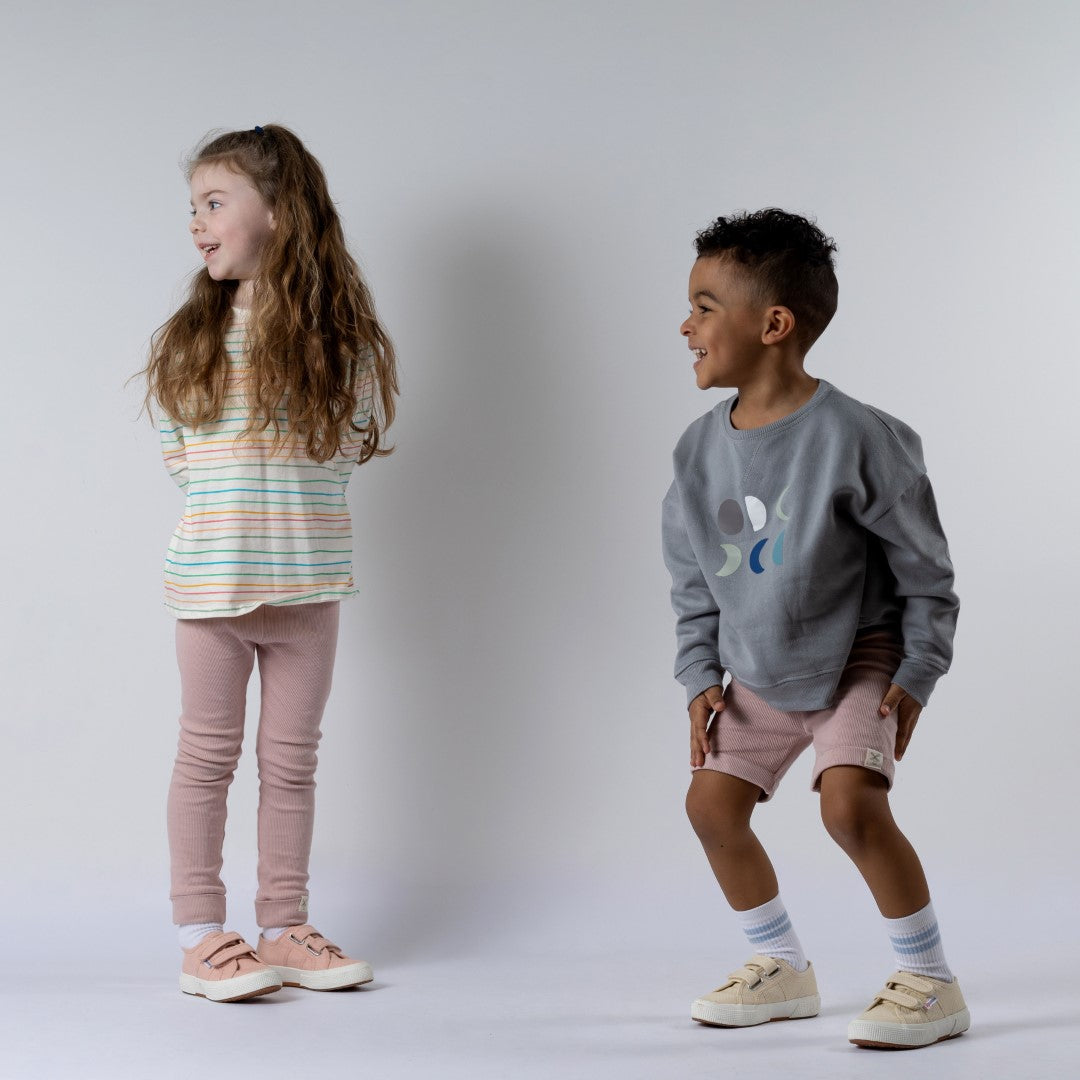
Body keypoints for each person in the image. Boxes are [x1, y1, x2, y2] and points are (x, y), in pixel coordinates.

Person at [661, 209, 969, 1049]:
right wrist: (700, 678)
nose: (684, 324)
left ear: (773, 324)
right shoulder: (696, 454)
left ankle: (931, 980)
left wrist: (919, 670)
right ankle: (782, 967)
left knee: (850, 808)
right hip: (754, 672)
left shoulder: (859, 438)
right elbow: (692, 582)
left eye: (703, 305)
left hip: (860, 660)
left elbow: (927, 574)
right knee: (710, 807)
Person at [142, 124, 398, 1002]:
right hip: (212, 590)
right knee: (206, 759)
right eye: (194, 208)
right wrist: (236, 519)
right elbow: (182, 453)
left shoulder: (341, 342)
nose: (197, 223)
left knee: (291, 764)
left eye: (214, 204)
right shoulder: (193, 339)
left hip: (311, 591)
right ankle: (201, 933)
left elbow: (350, 441)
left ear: (281, 215)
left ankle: (283, 927)